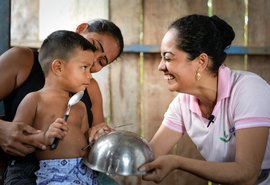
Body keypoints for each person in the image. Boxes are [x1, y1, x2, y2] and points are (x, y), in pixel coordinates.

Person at [140, 14, 270, 185]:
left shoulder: (249, 89)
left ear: (201, 61)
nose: (160, 66)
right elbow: (150, 156)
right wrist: (114, 140)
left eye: (168, 57)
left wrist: (178, 162)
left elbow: (247, 174)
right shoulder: (183, 103)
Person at [0, 19, 124, 184]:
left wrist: (101, 135)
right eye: (95, 46)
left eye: (102, 62)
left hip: (81, 170)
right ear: (81, 29)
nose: (94, 59)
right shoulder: (21, 60)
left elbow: (93, 136)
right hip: (28, 169)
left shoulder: (91, 87)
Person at [12, 30, 99, 184]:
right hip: (55, 176)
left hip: (87, 174)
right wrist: (44, 137)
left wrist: (96, 139)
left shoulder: (80, 106)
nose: (90, 76)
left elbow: (86, 144)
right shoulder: (34, 100)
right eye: (84, 67)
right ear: (58, 67)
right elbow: (17, 139)